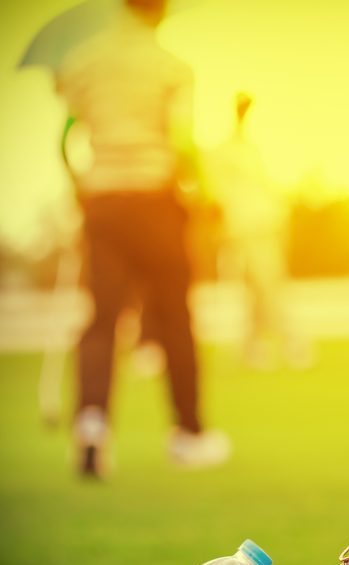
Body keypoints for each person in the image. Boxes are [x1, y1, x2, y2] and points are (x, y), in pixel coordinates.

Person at [57, 0, 230, 477]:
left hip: (103, 201)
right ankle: (189, 434)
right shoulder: (172, 68)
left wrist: (80, 184)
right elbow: (180, 139)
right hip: (155, 199)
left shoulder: (83, 62)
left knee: (101, 319)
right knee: (175, 317)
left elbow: (68, 134)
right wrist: (204, 192)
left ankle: (92, 425)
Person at [203, 93, 310, 369]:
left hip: (264, 226)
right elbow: (216, 195)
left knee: (262, 288)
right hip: (242, 229)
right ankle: (288, 343)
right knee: (263, 287)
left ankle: (255, 347)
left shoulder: (253, 150)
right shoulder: (222, 153)